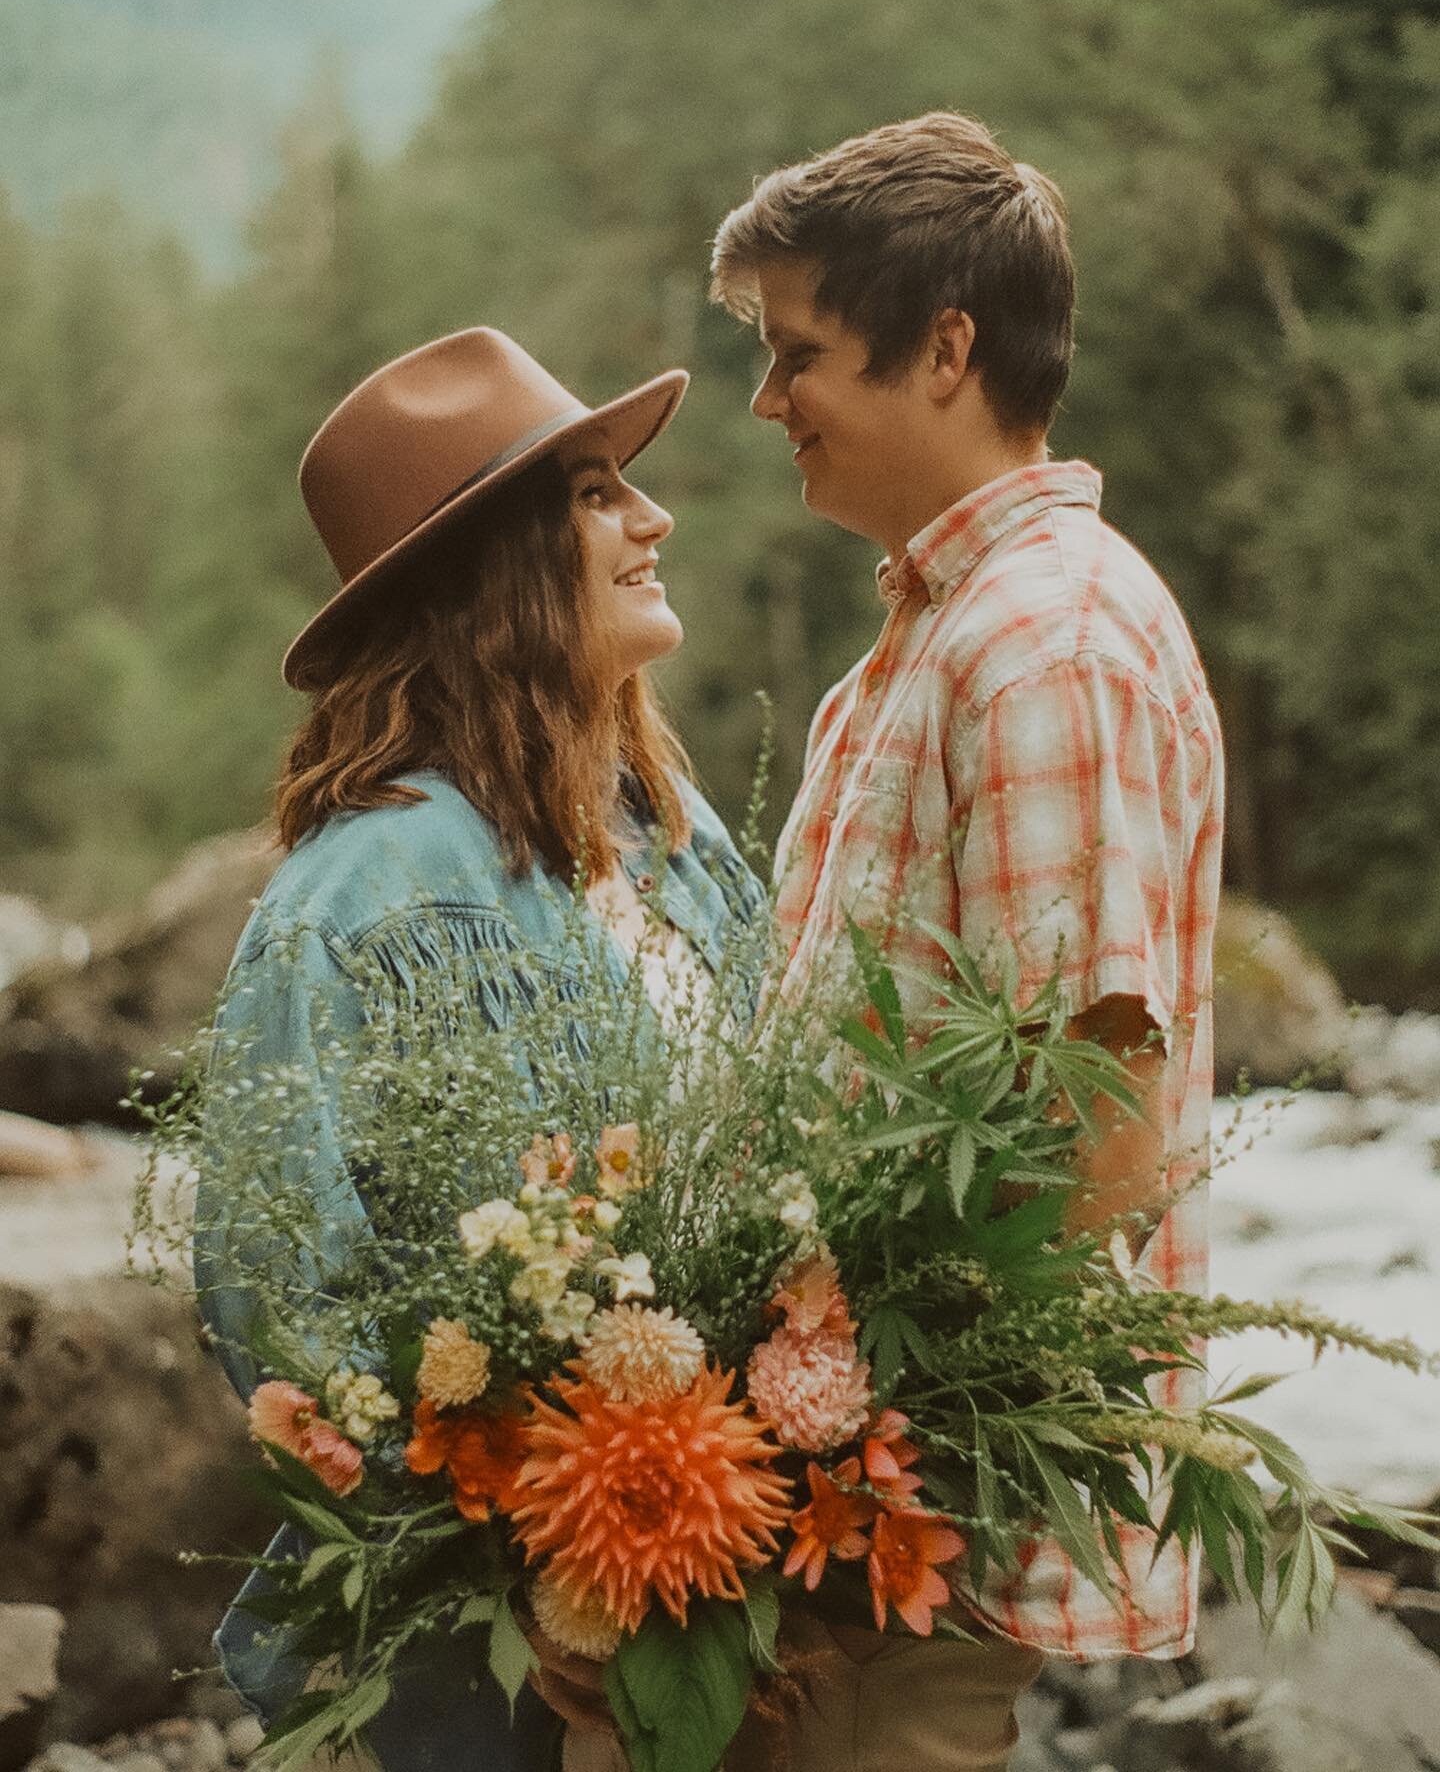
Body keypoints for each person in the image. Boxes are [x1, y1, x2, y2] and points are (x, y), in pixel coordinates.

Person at [707, 112, 1225, 1770]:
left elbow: (1097, 1134)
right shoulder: (946, 632)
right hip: (831, 1497)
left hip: (905, 1516)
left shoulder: (1043, 648)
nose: (767, 403)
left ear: (948, 349)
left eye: (799, 358)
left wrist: (874, 1458)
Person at [192, 326, 765, 1772]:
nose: (652, 516)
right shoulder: (356, 899)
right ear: (490, 573)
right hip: (494, 1657)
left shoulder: (681, 849)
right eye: (589, 494)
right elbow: (273, 1294)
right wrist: (539, 1543)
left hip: (722, 1590)